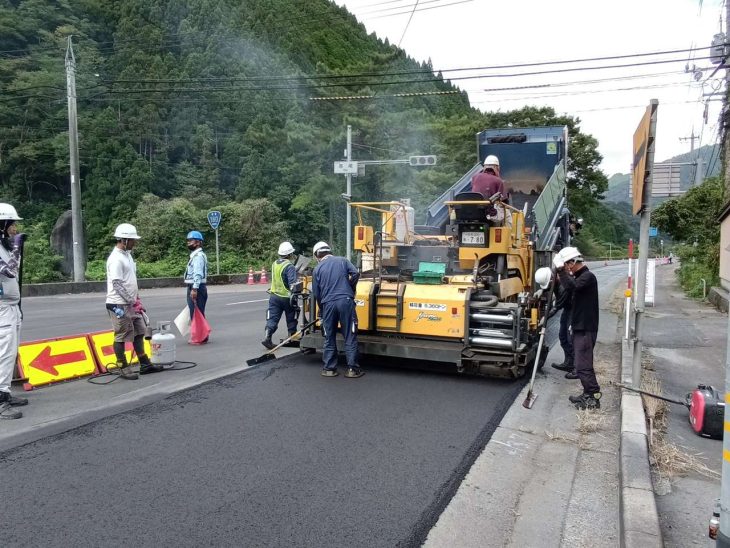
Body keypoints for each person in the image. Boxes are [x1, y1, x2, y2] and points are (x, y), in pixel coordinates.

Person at [106, 223, 163, 379]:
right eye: (132, 240)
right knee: (122, 335)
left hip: (131, 303)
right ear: (124, 240)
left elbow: (130, 280)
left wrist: (137, 300)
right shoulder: (116, 259)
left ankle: (144, 363)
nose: (134, 243)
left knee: (139, 331)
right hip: (118, 303)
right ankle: (122, 366)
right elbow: (117, 284)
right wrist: (131, 300)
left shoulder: (128, 256)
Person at [553, 247, 601, 409]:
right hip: (580, 326)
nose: (567, 268)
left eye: (567, 265)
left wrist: (560, 270)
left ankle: (593, 397)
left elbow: (571, 287)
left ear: (573, 262)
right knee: (582, 364)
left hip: (586, 328)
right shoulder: (580, 277)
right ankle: (588, 393)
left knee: (583, 364)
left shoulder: (588, 277)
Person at [311, 241, 362, 378]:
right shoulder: (342, 260)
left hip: (328, 304)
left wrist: (322, 310)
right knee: (349, 335)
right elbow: (356, 273)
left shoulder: (317, 269)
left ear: (317, 255)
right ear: (329, 251)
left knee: (329, 336)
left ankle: (329, 368)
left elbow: (316, 293)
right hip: (345, 301)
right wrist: (350, 288)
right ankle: (352, 369)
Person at [0, 203, 28, 419]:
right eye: (12, 224)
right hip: (2, 308)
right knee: (5, 352)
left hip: (11, 306)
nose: (15, 228)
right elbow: (9, 271)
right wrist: (17, 247)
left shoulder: (4, 245)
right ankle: (1, 401)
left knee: (11, 352)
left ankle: (6, 393)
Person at [261, 241, 300, 350]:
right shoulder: (289, 266)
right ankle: (292, 337)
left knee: (273, 318)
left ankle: (267, 338)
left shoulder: (274, 264)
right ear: (289, 254)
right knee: (292, 317)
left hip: (274, 296)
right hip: (287, 297)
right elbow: (292, 283)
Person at [550, 255, 575, 376]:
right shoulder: (555, 281)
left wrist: (544, 318)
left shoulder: (566, 283)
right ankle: (568, 362)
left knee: (570, 339)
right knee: (562, 337)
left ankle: (575, 366)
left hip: (574, 310)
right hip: (567, 309)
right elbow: (548, 294)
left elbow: (557, 305)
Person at [184, 230, 208, 321]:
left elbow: (198, 273)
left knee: (197, 316)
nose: (188, 242)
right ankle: (199, 335)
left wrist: (194, 289)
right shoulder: (194, 256)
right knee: (195, 315)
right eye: (188, 240)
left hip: (197, 288)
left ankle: (201, 335)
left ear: (198, 242)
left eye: (191, 240)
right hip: (195, 287)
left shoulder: (198, 256)